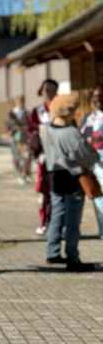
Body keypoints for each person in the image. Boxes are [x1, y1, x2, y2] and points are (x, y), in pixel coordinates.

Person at [42, 93, 98, 271]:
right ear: (68, 111)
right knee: (73, 219)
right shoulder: (70, 132)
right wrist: (94, 156)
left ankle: (52, 252)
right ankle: (73, 257)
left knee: (57, 213)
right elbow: (86, 156)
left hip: (53, 175)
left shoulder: (45, 129)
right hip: (73, 177)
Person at [28, 79, 58, 235]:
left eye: (52, 90)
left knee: (58, 192)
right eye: (46, 90)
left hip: (60, 158)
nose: (48, 93)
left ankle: (58, 223)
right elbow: (31, 131)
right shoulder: (37, 111)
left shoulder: (60, 109)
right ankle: (44, 221)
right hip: (44, 157)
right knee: (43, 192)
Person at [80, 85, 103, 238]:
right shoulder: (88, 117)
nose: (97, 99)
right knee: (96, 195)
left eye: (100, 96)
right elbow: (82, 137)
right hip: (92, 162)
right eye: (94, 97)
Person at [6, 95, 29, 185]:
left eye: (23, 101)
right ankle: (19, 173)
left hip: (24, 138)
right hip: (14, 138)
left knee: (25, 157)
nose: (21, 102)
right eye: (20, 101)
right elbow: (8, 124)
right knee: (16, 157)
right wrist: (11, 131)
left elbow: (29, 124)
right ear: (16, 101)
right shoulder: (11, 113)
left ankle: (23, 174)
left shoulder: (27, 113)